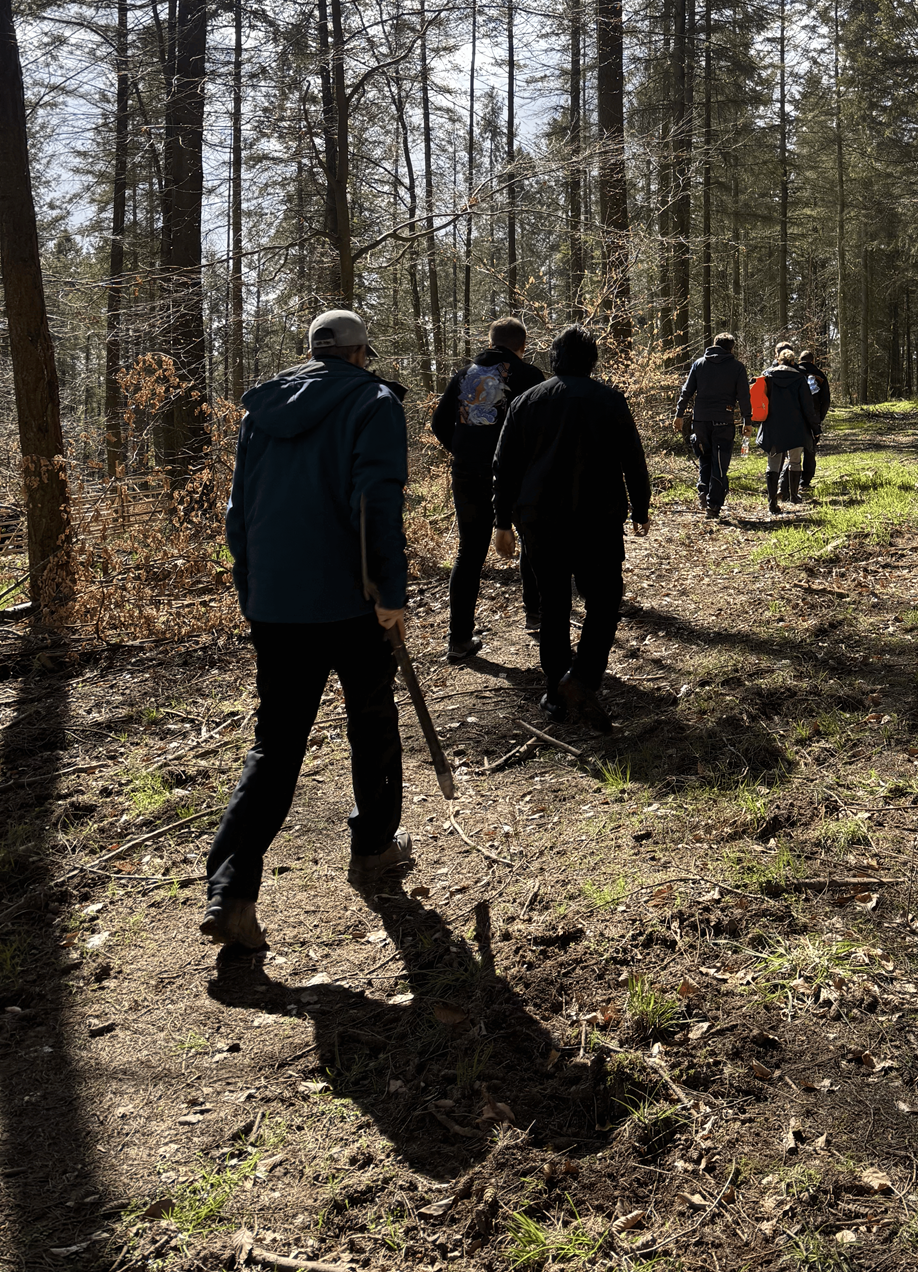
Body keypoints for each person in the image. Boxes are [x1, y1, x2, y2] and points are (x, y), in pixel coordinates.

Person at [204, 309, 413, 954]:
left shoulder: (261, 412)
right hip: (353, 602)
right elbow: (375, 503)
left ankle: (230, 890)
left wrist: (253, 592)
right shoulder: (374, 402)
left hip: (276, 604)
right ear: (359, 352)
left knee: (276, 743)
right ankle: (374, 847)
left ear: (315, 351)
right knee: (372, 720)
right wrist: (390, 594)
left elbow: (239, 514)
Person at [491, 325, 651, 734]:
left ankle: (558, 691)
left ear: (555, 359)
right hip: (598, 520)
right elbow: (633, 459)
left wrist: (502, 521)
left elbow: (504, 466)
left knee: (554, 603)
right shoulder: (610, 400)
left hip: (540, 521)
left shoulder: (527, 401)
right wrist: (640, 508)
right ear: (592, 361)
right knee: (604, 600)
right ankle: (581, 678)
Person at [431, 316, 545, 662]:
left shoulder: (464, 375)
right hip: (518, 474)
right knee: (532, 541)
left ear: (490, 341)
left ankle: (459, 639)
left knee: (469, 553)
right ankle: (536, 615)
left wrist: (463, 451)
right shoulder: (530, 376)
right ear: (522, 346)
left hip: (468, 474)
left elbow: (439, 423)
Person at [673, 332, 751, 519]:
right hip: (723, 420)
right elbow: (744, 396)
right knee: (720, 462)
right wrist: (747, 421)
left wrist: (679, 414)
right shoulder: (737, 367)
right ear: (731, 348)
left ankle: (703, 493)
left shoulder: (699, 364)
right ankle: (713, 505)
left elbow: (686, 391)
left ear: (714, 344)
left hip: (700, 421)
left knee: (705, 457)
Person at [757, 344, 819, 515]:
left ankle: (772, 503)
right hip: (796, 427)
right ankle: (793, 496)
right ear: (793, 362)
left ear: (778, 360)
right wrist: (815, 428)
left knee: (773, 464)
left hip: (773, 426)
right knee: (795, 460)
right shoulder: (800, 378)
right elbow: (808, 407)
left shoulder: (767, 376)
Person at [796, 349, 831, 495]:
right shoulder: (820, 375)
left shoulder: (794, 372)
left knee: (793, 448)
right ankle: (806, 480)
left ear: (799, 359)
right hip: (814, 415)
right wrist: (820, 417)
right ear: (813, 360)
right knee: (810, 449)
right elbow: (826, 400)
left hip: (796, 415)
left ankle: (790, 479)